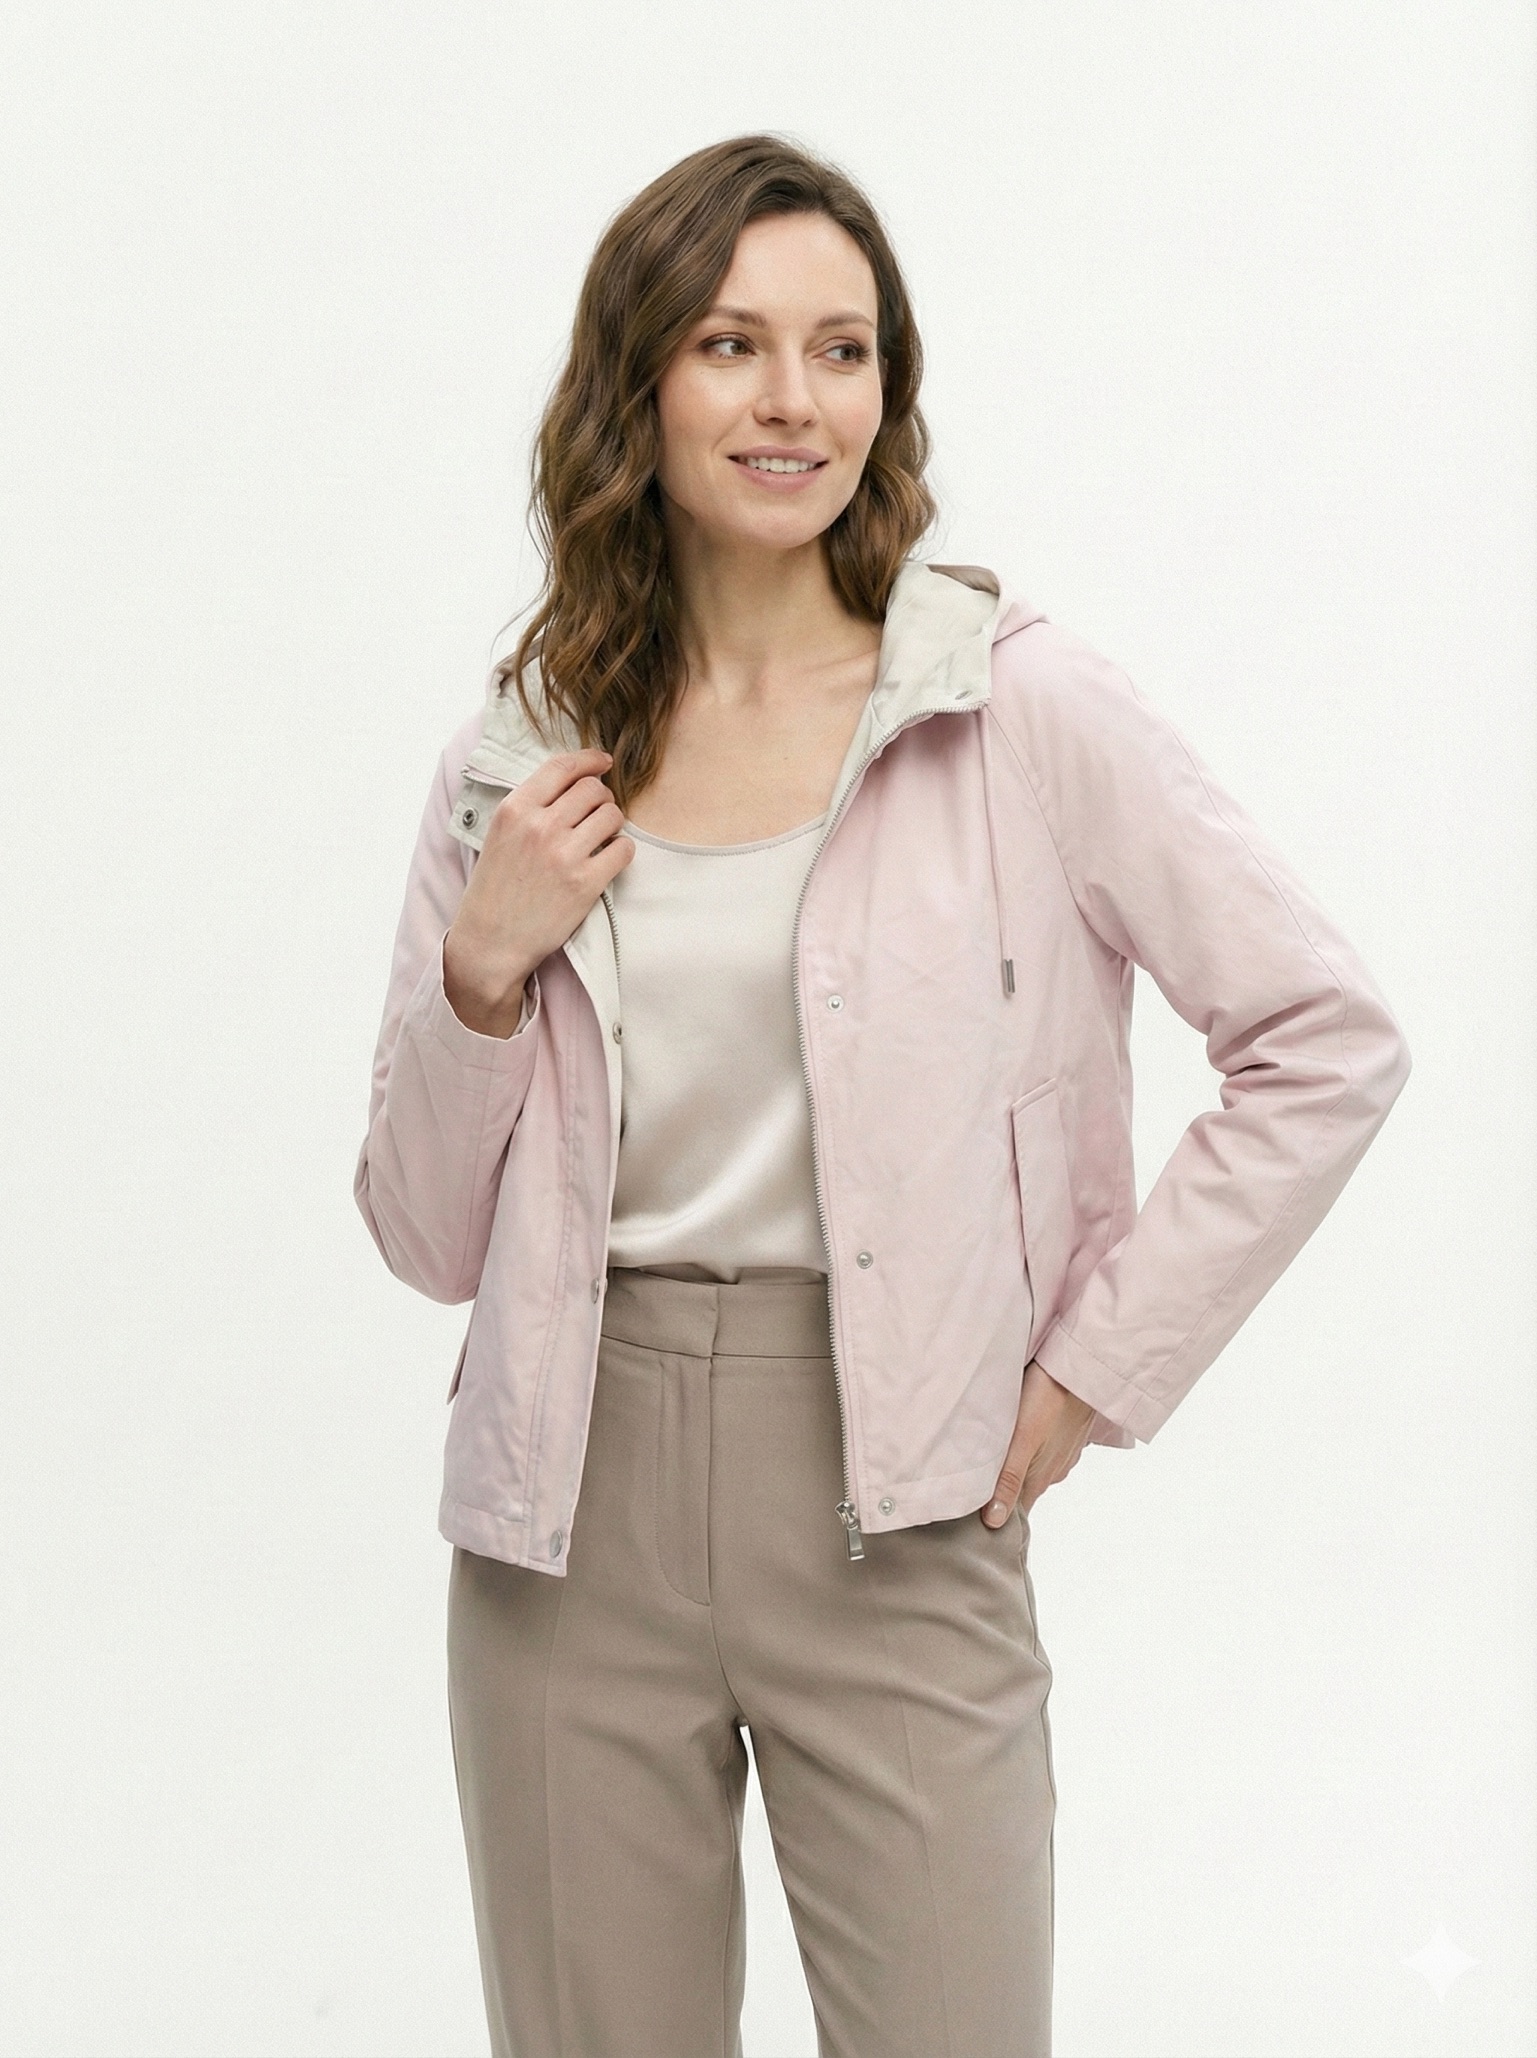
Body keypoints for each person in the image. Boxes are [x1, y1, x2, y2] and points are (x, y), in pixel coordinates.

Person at [354, 133, 1411, 2058]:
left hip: (903, 1500)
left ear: (886, 391)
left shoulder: (1012, 707)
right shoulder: (519, 755)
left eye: (840, 350)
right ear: (635, 385)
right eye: (730, 344)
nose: (792, 399)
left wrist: (1091, 1366)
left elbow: (1321, 1035)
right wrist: (480, 973)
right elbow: (428, 1239)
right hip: (562, 1508)